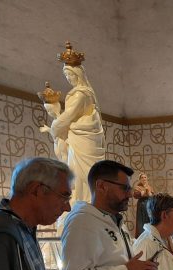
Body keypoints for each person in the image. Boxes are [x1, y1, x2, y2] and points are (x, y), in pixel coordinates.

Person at [47, 42, 104, 204]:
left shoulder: (81, 95)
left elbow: (68, 116)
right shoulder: (84, 93)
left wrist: (55, 127)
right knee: (78, 174)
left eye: (71, 75)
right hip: (80, 138)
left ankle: (84, 202)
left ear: (78, 74)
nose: (69, 79)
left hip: (83, 140)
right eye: (66, 76)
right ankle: (82, 202)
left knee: (83, 175)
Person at [133, 173, 155, 237]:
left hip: (149, 204)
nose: (144, 179)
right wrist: (141, 193)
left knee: (149, 218)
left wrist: (148, 192)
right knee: (141, 220)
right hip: (142, 205)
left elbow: (152, 196)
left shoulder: (149, 187)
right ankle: (141, 235)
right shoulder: (138, 187)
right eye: (142, 177)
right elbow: (136, 195)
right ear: (140, 179)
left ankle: (150, 235)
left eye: (145, 177)